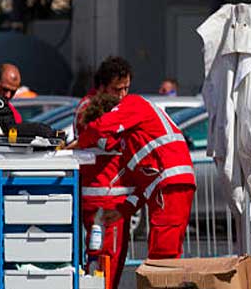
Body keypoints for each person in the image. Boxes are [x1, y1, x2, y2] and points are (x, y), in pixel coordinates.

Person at [77, 91, 195, 262]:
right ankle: (162, 286)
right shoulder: (133, 140)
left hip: (170, 183)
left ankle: (161, 288)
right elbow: (140, 186)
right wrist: (123, 210)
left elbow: (100, 127)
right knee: (164, 251)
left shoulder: (133, 103)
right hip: (168, 185)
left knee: (163, 254)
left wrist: (81, 141)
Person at [73, 56, 136, 289]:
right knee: (103, 253)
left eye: (126, 88)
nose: (123, 95)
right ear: (102, 87)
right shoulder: (91, 107)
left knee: (113, 254)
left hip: (113, 193)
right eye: (117, 89)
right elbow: (104, 140)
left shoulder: (112, 106)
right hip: (101, 193)